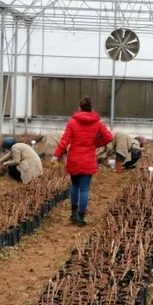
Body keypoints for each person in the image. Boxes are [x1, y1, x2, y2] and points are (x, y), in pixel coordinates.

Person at [51, 97, 113, 226]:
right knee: (84, 189)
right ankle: (81, 217)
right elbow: (109, 137)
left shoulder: (73, 122)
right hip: (88, 158)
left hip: (74, 158)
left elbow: (64, 141)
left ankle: (73, 214)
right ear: (92, 109)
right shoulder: (97, 123)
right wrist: (95, 143)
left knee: (74, 186)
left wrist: (56, 155)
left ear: (79, 108)